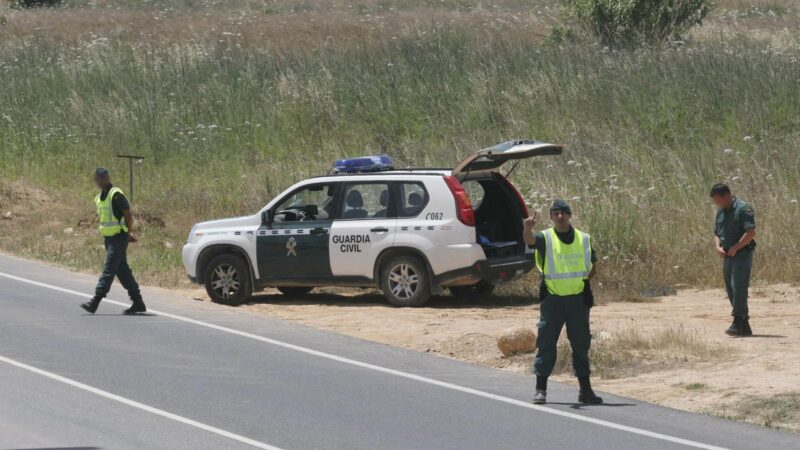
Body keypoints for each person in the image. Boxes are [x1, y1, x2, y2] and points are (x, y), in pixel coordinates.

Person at [523, 199, 601, 405]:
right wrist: (527, 229)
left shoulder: (584, 238)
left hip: (577, 300)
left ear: (569, 215)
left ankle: (586, 391)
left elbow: (593, 267)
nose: (560, 217)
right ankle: (541, 390)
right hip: (553, 300)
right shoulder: (544, 237)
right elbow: (530, 241)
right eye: (556, 213)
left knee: (581, 345)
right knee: (547, 344)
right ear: (550, 217)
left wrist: (580, 282)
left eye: (563, 213)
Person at [81, 168, 147, 315]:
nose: (98, 181)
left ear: (106, 178)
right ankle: (138, 302)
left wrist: (127, 233)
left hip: (119, 237)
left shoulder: (115, 194)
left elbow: (128, 215)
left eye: (101, 178)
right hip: (109, 239)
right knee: (122, 271)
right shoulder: (99, 197)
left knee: (109, 268)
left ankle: (95, 301)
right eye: (97, 179)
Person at [710, 183, 755, 337]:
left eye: (718, 200)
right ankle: (744, 325)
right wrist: (718, 247)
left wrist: (736, 247)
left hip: (741, 253)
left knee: (739, 287)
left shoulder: (743, 209)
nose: (716, 204)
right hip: (727, 254)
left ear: (727, 196)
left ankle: (737, 321)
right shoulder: (721, 212)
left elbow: (750, 232)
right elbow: (717, 233)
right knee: (730, 288)